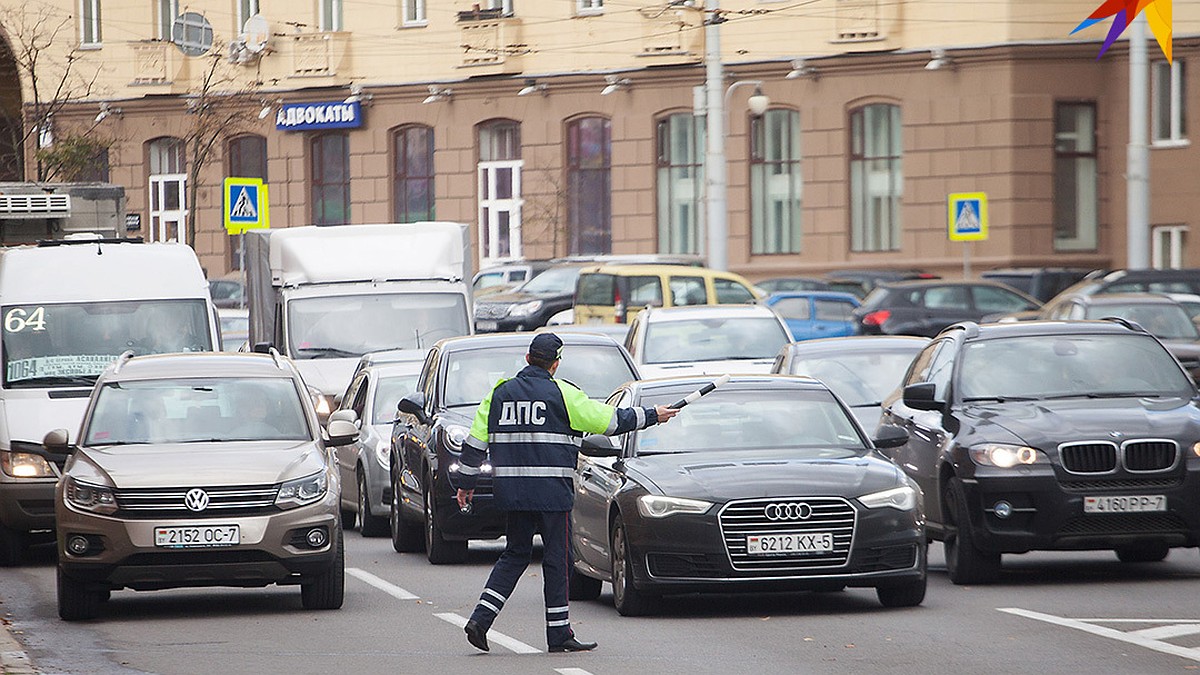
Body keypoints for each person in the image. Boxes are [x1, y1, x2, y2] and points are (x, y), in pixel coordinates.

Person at [455, 332, 678, 654]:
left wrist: (466, 483)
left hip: (513, 494)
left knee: (514, 555)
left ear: (528, 358)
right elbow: (609, 422)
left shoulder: (498, 393)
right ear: (555, 363)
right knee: (558, 561)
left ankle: (480, 619)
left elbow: (475, 442)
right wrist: (652, 415)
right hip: (551, 496)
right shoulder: (564, 394)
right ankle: (558, 633)